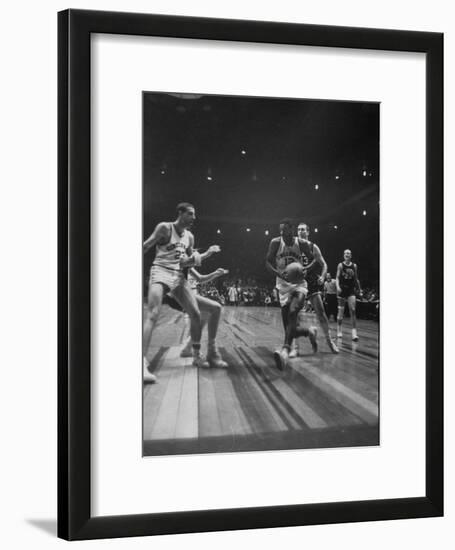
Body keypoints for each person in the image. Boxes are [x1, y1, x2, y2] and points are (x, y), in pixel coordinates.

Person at [143, 202, 220, 383]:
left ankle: (195, 355)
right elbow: (146, 246)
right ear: (180, 213)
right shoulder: (164, 228)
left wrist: (207, 254)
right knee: (153, 313)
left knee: (195, 313)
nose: (194, 218)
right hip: (160, 270)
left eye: (194, 215)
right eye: (190, 214)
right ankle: (141, 363)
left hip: (178, 276)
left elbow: (186, 262)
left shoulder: (190, 237)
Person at [265, 219, 317, 371]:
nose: (282, 233)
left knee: (294, 311)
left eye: (285, 230)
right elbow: (267, 262)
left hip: (299, 284)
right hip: (282, 285)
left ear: (291, 229)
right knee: (289, 327)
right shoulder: (275, 242)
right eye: (280, 230)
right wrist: (278, 273)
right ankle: (309, 331)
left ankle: (285, 351)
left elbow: (315, 260)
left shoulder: (301, 243)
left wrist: (307, 268)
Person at [163, 267, 229, 367]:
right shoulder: (180, 257)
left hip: (178, 294)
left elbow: (200, 278)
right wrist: (207, 253)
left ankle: (188, 348)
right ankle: (207, 353)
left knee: (207, 313)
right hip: (177, 295)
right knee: (215, 308)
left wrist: (215, 273)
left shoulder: (186, 261)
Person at [295, 223, 339, 354]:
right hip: (297, 281)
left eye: (303, 229)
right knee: (295, 315)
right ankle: (296, 347)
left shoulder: (313, 247)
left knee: (321, 313)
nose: (300, 231)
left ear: (308, 232)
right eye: (298, 230)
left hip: (312, 281)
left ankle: (329, 341)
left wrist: (323, 276)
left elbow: (324, 264)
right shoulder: (293, 246)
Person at [335, 249, 362, 341]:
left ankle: (354, 333)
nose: (347, 254)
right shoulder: (340, 265)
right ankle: (339, 329)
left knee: (353, 310)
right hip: (342, 289)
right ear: (344, 255)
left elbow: (356, 279)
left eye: (349, 253)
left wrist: (359, 289)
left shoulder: (354, 266)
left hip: (351, 290)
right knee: (341, 312)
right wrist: (337, 287)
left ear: (351, 256)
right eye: (346, 253)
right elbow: (337, 277)